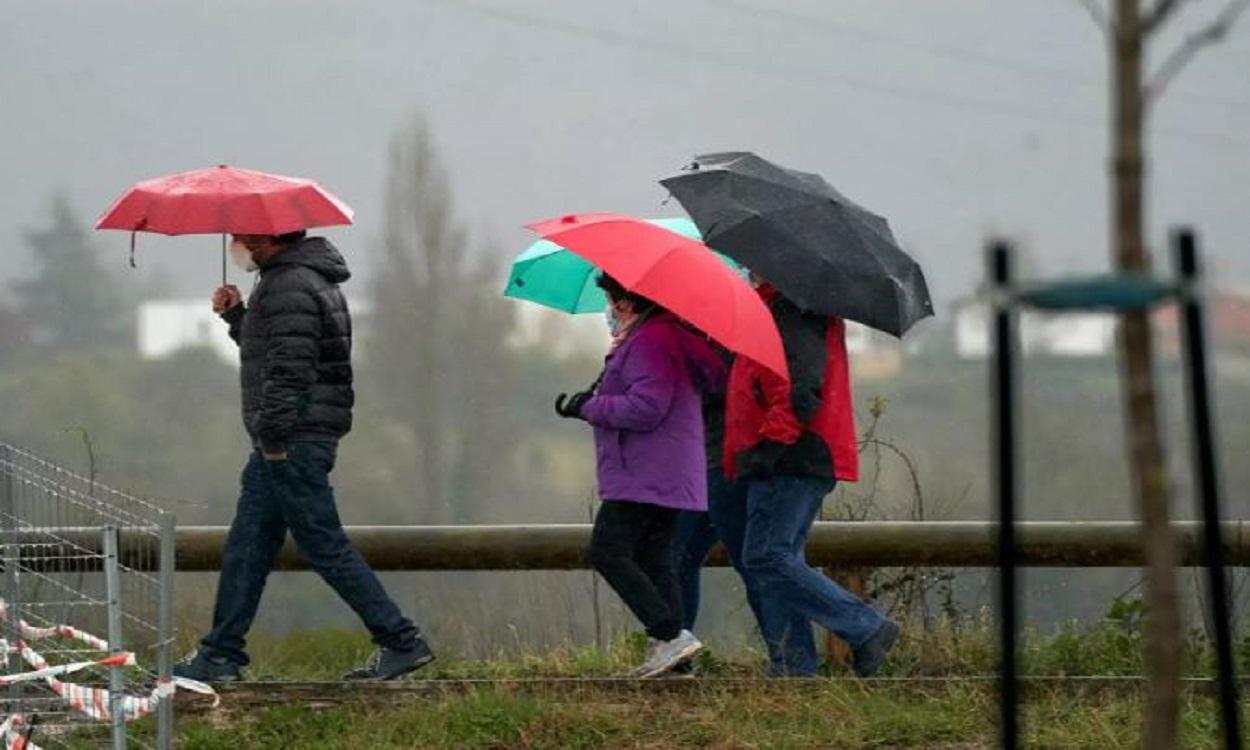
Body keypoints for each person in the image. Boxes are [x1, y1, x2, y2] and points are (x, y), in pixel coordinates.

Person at [174, 230, 433, 683]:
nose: (236, 243)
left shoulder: (288, 285)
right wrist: (237, 315)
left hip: (288, 441)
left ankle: (401, 640)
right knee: (248, 546)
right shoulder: (302, 280)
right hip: (289, 439)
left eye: (242, 236)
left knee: (323, 545)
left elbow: (290, 370)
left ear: (264, 238)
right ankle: (220, 653)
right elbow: (277, 352)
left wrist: (273, 439)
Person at [719, 276, 900, 678]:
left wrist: (770, 446)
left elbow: (801, 389)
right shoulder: (784, 305)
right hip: (794, 453)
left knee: (767, 556)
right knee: (778, 559)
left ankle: (866, 629)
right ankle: (796, 668)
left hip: (791, 455)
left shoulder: (791, 308)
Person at [555, 274, 721, 678]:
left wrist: (590, 408)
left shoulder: (652, 340)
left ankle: (670, 637)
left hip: (645, 470)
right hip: (665, 470)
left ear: (625, 302)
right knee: (655, 558)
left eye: (609, 300)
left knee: (608, 551)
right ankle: (677, 662)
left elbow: (646, 407)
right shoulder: (660, 336)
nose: (608, 310)